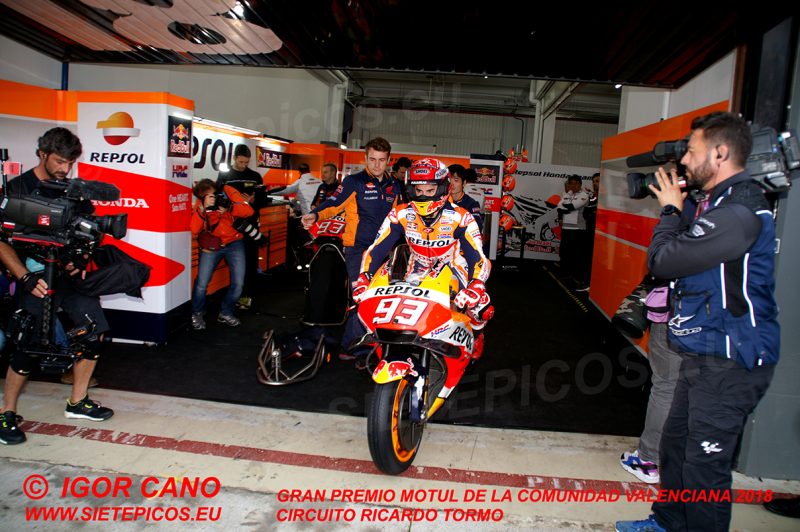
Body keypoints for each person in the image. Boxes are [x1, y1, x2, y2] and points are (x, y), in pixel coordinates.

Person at [616, 112, 780, 532]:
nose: (685, 160)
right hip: (703, 353)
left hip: (731, 358)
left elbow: (664, 260)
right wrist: (682, 204)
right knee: (675, 448)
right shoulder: (718, 203)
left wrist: (670, 210)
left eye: (691, 150)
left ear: (721, 153)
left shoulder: (740, 210)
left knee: (706, 469)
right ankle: (668, 522)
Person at [1, 128, 113, 445]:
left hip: (66, 277)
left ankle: (77, 403)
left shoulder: (72, 190)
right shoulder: (17, 188)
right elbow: (0, 241)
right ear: (42, 154)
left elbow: (87, 232)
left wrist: (81, 257)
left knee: (95, 331)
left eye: (70, 163)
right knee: (26, 342)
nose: (65, 169)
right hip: (33, 278)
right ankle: (6, 412)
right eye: (60, 161)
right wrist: (24, 275)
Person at [353, 158, 493, 355]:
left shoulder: (461, 217)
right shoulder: (400, 214)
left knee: (481, 305)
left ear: (443, 188)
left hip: (452, 267)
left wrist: (476, 284)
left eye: (430, 190)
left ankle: (476, 338)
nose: (424, 196)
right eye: (418, 191)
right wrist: (364, 277)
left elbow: (477, 257)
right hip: (416, 266)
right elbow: (376, 249)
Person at [301, 137, 405, 362]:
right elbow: (333, 204)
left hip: (384, 251)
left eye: (381, 160)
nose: (376, 165)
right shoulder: (353, 182)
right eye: (372, 159)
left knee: (380, 298)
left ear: (388, 160)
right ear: (365, 158)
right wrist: (315, 214)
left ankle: (367, 342)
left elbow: (401, 218)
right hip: (358, 250)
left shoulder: (394, 186)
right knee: (361, 296)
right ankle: (352, 346)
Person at [190, 178, 253, 330]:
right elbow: (194, 229)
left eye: (214, 194)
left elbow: (249, 211)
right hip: (212, 245)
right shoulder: (201, 204)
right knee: (202, 283)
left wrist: (230, 208)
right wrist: (203, 209)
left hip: (234, 242)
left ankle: (226, 312)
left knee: (238, 283)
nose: (213, 198)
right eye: (208, 196)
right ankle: (196, 312)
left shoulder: (228, 193)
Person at [216, 144, 263, 311]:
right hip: (230, 227)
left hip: (250, 225)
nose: (244, 165)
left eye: (246, 162)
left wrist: (252, 201)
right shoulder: (225, 175)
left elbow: (263, 199)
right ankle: (233, 295)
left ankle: (245, 296)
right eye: (241, 161)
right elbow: (218, 198)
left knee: (250, 261)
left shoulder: (255, 176)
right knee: (235, 263)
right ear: (234, 158)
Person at [556, 175, 590, 291]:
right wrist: (564, 206)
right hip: (566, 228)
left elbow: (571, 207)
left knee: (577, 255)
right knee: (564, 253)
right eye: (571, 183)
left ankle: (577, 277)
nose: (573, 185)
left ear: (580, 184)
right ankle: (565, 275)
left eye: (576, 183)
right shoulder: (567, 194)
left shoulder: (584, 195)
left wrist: (564, 206)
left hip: (578, 230)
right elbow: (559, 208)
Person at [448, 164, 483, 229]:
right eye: (449, 180)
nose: (451, 184)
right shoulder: (441, 201)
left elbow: (477, 227)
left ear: (464, 183)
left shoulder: (472, 204)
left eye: (456, 180)